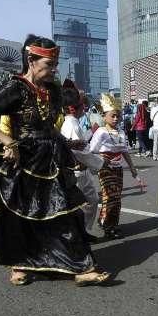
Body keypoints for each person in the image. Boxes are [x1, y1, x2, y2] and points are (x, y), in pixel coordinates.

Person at [0, 34, 109, 286]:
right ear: (31, 61)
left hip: (51, 157)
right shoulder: (15, 88)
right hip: (24, 159)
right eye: (48, 65)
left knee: (63, 212)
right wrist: (8, 142)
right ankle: (19, 264)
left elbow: (49, 126)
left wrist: (67, 145)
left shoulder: (54, 91)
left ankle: (81, 267)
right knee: (19, 215)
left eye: (55, 65)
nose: (53, 70)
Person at [90, 93, 139, 239]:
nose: (116, 118)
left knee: (116, 197)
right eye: (112, 116)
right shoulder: (100, 132)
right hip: (105, 168)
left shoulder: (121, 132)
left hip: (118, 168)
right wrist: (102, 160)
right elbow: (92, 150)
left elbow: (124, 152)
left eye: (117, 116)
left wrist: (132, 168)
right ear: (104, 116)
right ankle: (107, 226)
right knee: (109, 196)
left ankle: (111, 223)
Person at [59, 80, 102, 243]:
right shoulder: (70, 123)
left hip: (82, 171)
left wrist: (92, 131)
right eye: (82, 104)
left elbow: (80, 142)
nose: (84, 107)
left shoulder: (74, 122)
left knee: (91, 201)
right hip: (77, 173)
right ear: (72, 108)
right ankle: (77, 235)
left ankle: (82, 231)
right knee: (81, 205)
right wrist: (101, 164)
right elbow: (78, 150)